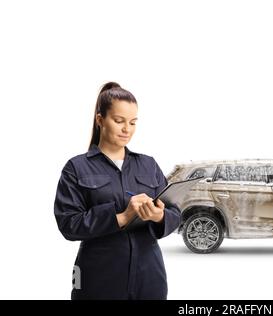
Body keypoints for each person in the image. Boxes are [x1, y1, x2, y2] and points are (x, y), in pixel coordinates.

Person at [54, 82, 181, 299]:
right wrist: (122, 217)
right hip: (98, 277)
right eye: (119, 121)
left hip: (149, 276)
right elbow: (68, 224)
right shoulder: (76, 168)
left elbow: (175, 214)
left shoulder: (148, 165)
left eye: (132, 122)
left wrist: (160, 216)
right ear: (100, 120)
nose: (127, 129)